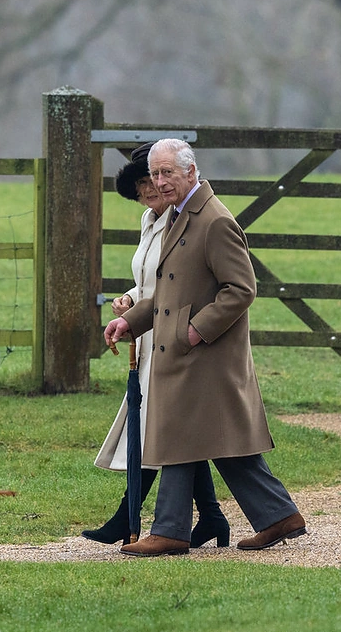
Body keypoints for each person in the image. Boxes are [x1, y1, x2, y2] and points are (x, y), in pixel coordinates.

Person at [103, 138, 306, 556]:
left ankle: (173, 530)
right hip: (181, 350)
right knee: (202, 439)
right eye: (155, 174)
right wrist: (129, 321)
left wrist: (195, 331)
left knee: (188, 434)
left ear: (191, 172)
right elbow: (165, 295)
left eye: (168, 174)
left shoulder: (213, 220)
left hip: (205, 353)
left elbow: (242, 288)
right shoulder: (176, 216)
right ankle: (274, 516)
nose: (159, 183)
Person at [82, 142, 230, 548]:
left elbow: (220, 287)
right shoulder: (151, 221)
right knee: (171, 429)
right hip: (151, 335)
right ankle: (212, 518)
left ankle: (134, 519)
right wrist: (130, 301)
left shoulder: (186, 224)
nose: (150, 192)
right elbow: (151, 281)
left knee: (162, 429)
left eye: (156, 182)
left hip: (176, 338)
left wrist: (191, 328)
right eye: (143, 187)